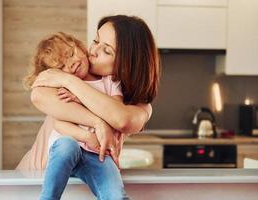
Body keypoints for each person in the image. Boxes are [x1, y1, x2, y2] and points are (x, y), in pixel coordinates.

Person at [19, 15, 161, 200]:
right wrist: (96, 121)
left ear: (126, 65)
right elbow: (38, 95)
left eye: (107, 51)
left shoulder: (139, 106)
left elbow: (122, 118)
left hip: (83, 180)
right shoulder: (68, 76)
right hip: (30, 181)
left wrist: (68, 81)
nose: (93, 51)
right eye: (95, 41)